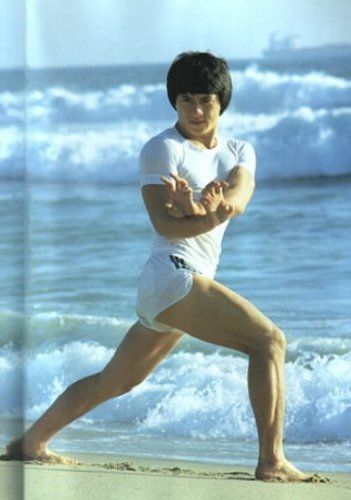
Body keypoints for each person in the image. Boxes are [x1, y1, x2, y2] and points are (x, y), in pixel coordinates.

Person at [3, 51, 326, 482]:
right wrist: (205, 214)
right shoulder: (161, 149)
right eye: (186, 100)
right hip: (172, 275)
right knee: (269, 341)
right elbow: (163, 223)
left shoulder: (239, 150)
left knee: (116, 381)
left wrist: (201, 209)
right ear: (174, 102)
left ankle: (31, 443)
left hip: (178, 284)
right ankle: (272, 462)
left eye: (205, 100)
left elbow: (239, 199)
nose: (195, 110)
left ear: (221, 102)